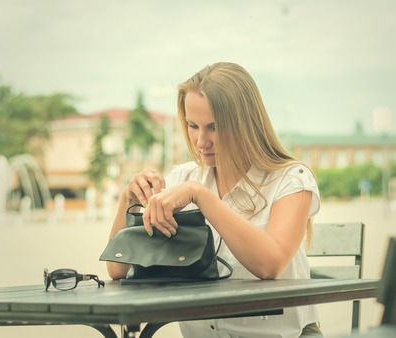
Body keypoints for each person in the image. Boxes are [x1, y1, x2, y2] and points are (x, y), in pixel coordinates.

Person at [106, 62, 322, 338]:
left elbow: (270, 264)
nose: (200, 141)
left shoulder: (291, 180)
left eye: (214, 127)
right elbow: (118, 269)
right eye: (193, 126)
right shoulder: (183, 177)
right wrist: (129, 197)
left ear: (246, 124)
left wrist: (201, 195)